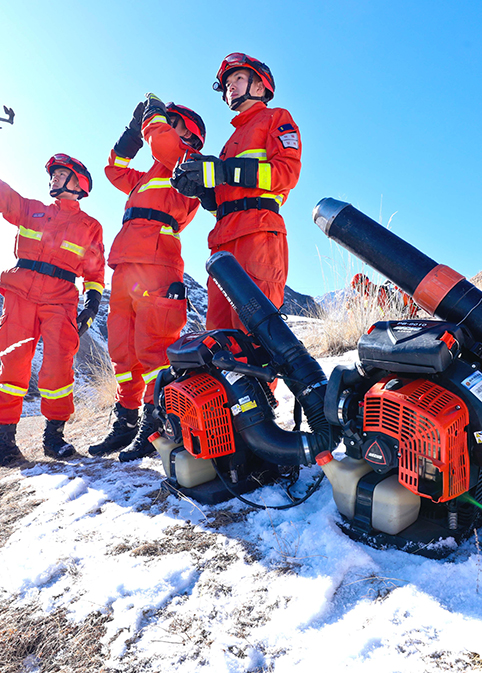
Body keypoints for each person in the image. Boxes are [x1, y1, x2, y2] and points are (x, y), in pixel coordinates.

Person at [0, 89, 106, 471]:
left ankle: (54, 439)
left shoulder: (90, 226)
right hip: (19, 294)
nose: (54, 177)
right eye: (52, 173)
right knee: (13, 368)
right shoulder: (31, 211)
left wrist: (93, 301)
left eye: (62, 173)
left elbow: (95, 271)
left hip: (61, 301)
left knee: (57, 370)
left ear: (80, 183)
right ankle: (6, 446)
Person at [91, 95, 207, 462]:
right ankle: (125, 423)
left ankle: (155, 426)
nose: (164, 127)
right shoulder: (146, 178)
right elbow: (114, 168)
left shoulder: (187, 164)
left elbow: (162, 140)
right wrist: (131, 131)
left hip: (157, 265)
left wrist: (153, 113)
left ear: (187, 135)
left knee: (152, 350)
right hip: (125, 267)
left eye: (172, 123)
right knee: (122, 352)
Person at [172, 52, 302, 330]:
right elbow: (222, 204)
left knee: (256, 338)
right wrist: (202, 192)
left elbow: (287, 174)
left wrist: (225, 171)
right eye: (228, 82)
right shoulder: (230, 141)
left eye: (238, 78)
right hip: (222, 243)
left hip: (258, 236)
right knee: (222, 339)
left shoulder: (276, 117)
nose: (230, 85)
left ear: (259, 86)